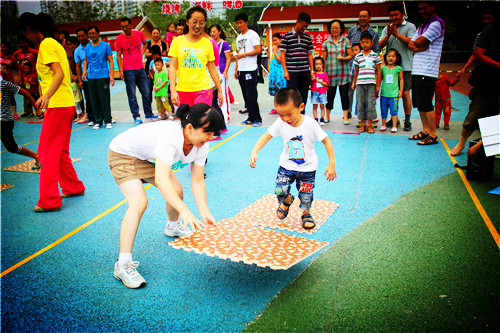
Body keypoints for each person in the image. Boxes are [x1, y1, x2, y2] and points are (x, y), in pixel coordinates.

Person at [109, 103, 225, 288]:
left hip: (146, 158)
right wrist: (185, 211)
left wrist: (204, 212)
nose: (210, 138)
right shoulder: (170, 139)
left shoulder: (201, 143)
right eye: (207, 132)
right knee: (139, 202)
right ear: (189, 128)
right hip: (123, 154)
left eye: (213, 134)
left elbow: (197, 181)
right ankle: (122, 264)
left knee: (177, 190)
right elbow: (161, 180)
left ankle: (172, 226)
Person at [19, 12, 86, 212]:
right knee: (60, 151)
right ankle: (73, 186)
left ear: (29, 29)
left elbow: (59, 73)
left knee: (46, 153)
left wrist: (46, 95)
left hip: (57, 104)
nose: (26, 38)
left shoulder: (47, 44)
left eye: (25, 34)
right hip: (65, 104)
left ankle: (49, 200)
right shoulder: (55, 43)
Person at [249, 87, 337, 230]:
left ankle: (306, 213)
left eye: (288, 114)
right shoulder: (281, 122)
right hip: (286, 167)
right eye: (281, 115)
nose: (285, 119)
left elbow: (326, 141)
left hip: (308, 168)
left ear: (301, 107)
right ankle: (287, 199)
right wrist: (255, 151)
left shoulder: (310, 124)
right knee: (279, 190)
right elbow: (267, 135)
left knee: (306, 195)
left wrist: (331, 163)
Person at [450, 8, 500, 156]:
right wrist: (464, 69)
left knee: (493, 117)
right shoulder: (488, 32)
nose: (486, 20)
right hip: (487, 82)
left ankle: (488, 149)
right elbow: (477, 54)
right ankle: (461, 143)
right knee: (475, 115)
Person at [168, 6, 222, 108]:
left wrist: (219, 90)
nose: (197, 26)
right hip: (183, 90)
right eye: (194, 22)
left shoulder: (208, 43)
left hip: (203, 89)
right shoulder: (177, 42)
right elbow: (173, 67)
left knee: (199, 120)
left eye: (201, 23)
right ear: (187, 22)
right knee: (187, 122)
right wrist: (173, 90)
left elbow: (212, 68)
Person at [408, 1, 445, 145]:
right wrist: (418, 46)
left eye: (424, 8)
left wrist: (417, 45)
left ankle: (433, 134)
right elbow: (412, 44)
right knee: (420, 103)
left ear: (433, 6)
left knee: (426, 103)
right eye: (420, 9)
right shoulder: (422, 25)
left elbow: (418, 42)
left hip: (428, 70)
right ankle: (425, 131)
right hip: (417, 68)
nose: (422, 11)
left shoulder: (437, 23)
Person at [379, 2, 417, 131]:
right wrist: (389, 34)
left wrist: (397, 34)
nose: (394, 18)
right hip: (390, 69)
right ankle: (392, 119)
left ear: (402, 14)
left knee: (405, 94)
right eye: (391, 15)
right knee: (389, 94)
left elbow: (412, 44)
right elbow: (379, 45)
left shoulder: (410, 27)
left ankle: (407, 120)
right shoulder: (387, 28)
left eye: (396, 15)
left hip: (405, 67)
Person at [115, 17, 155, 124]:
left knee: (146, 91)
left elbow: (145, 43)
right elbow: (118, 56)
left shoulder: (138, 34)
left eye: (127, 26)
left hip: (140, 68)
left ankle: (148, 113)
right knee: (131, 94)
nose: (125, 29)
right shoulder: (119, 39)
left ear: (131, 25)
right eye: (123, 27)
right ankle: (136, 115)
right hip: (128, 70)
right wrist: (120, 70)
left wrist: (141, 53)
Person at [1, 78, 42, 168]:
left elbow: (26, 93)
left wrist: (37, 109)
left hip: (4, 121)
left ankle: (36, 156)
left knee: (12, 148)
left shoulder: (4, 84)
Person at [280, 12, 314, 110]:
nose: (304, 28)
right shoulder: (287, 37)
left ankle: (301, 116)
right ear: (297, 22)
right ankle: (293, 116)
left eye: (306, 27)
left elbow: (309, 55)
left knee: (303, 97)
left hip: (305, 72)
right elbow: (282, 54)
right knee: (292, 96)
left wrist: (312, 71)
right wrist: (285, 70)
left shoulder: (307, 38)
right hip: (292, 73)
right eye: (303, 26)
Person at [83, 25, 115, 130]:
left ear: (98, 33)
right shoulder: (88, 47)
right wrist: (84, 71)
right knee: (94, 99)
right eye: (90, 34)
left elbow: (110, 61)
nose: (92, 35)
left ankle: (108, 120)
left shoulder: (105, 45)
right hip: (91, 76)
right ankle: (98, 120)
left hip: (103, 75)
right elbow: (86, 60)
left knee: (104, 98)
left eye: (93, 33)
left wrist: (111, 75)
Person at [322, 19, 353, 125]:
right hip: (330, 74)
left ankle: (345, 117)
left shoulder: (346, 41)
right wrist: (322, 73)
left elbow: (351, 55)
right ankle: (327, 115)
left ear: (341, 29)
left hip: (343, 74)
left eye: (337, 28)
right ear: (330, 29)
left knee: (345, 96)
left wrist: (344, 59)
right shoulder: (326, 43)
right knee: (330, 96)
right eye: (333, 28)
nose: (335, 30)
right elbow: (324, 59)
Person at [234, 12, 262, 126]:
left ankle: (257, 118)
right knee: (246, 96)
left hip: (251, 69)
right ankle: (250, 117)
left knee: (251, 95)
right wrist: (236, 69)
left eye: (241, 23)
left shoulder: (252, 35)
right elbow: (238, 54)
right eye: (237, 23)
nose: (239, 25)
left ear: (246, 22)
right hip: (241, 68)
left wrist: (243, 55)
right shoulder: (238, 37)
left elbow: (258, 50)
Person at [351, 32, 382, 134]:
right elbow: (356, 71)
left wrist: (378, 85)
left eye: (367, 42)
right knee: (361, 103)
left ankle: (370, 125)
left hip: (371, 83)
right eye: (363, 42)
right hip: (360, 83)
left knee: (370, 103)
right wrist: (354, 82)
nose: (365, 44)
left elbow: (378, 71)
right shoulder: (358, 56)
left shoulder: (375, 56)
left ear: (372, 43)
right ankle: (362, 124)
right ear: (360, 43)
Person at [209, 24, 232, 123]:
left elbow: (228, 58)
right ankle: (217, 116)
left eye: (214, 31)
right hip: (212, 73)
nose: (212, 33)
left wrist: (226, 71)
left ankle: (226, 115)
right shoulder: (209, 43)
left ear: (219, 32)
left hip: (221, 72)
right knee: (214, 96)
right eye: (211, 32)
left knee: (223, 94)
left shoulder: (224, 44)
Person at [379, 49, 404, 133]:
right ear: (385, 57)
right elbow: (380, 79)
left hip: (394, 94)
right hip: (384, 94)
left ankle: (394, 125)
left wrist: (401, 90)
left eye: (393, 56)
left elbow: (401, 80)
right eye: (389, 56)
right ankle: (383, 125)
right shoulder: (383, 68)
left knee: (394, 110)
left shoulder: (398, 69)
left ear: (396, 58)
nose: (390, 58)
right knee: (383, 110)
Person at [74, 27, 94, 125]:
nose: (81, 38)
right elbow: (78, 66)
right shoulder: (77, 51)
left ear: (87, 35)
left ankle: (103, 115)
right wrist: (80, 80)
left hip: (97, 76)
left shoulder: (94, 45)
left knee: (98, 97)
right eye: (79, 36)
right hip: (85, 78)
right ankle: (89, 116)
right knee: (88, 98)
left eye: (83, 35)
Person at [145, 27, 168, 105]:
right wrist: (154, 54)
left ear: (159, 34)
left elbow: (166, 54)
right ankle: (149, 111)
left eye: (157, 33)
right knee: (148, 91)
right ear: (151, 34)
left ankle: (166, 110)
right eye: (154, 33)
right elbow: (146, 54)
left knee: (164, 91)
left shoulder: (163, 44)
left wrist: (159, 55)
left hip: (162, 72)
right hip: (151, 71)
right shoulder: (148, 44)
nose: (155, 35)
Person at [1, 43, 20, 119]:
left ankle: (14, 113)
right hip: (0, 81)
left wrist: (18, 79)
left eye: (5, 47)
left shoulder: (12, 58)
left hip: (8, 80)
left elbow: (17, 69)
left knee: (11, 97)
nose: (3, 48)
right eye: (2, 47)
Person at [268, 33, 287, 108]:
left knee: (282, 90)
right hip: (274, 73)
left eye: (276, 40)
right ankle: (277, 107)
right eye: (273, 41)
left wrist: (275, 52)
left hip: (280, 73)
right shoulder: (274, 49)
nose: (275, 42)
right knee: (275, 90)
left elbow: (280, 60)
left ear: (280, 39)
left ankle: (283, 106)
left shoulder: (282, 49)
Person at [310, 57, 330, 125]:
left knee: (322, 106)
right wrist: (312, 80)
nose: (318, 66)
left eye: (320, 64)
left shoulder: (324, 74)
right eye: (316, 64)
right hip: (314, 92)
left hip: (322, 93)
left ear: (322, 65)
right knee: (314, 106)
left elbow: (327, 84)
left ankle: (322, 119)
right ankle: (315, 119)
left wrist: (320, 81)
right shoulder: (313, 74)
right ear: (314, 65)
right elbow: (310, 83)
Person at [348, 43, 361, 120]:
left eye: (356, 50)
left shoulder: (362, 59)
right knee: (349, 93)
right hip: (351, 77)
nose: (354, 52)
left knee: (359, 95)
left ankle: (359, 113)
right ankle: (349, 111)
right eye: (353, 51)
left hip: (360, 79)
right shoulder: (351, 59)